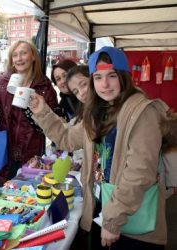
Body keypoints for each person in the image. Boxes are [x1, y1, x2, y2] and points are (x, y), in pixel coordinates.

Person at [30, 46, 167, 250]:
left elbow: (139, 173)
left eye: (111, 76)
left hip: (131, 220)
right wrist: (42, 112)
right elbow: (67, 138)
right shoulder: (97, 113)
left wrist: (113, 220)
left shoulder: (142, 112)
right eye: (98, 77)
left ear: (123, 76)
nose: (104, 84)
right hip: (102, 207)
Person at [0, 39, 58, 186]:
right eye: (15, 55)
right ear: (12, 60)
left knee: (28, 192)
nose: (19, 59)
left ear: (32, 56)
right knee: (5, 193)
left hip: (31, 151)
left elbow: (54, 122)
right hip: (5, 149)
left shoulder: (44, 86)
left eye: (23, 53)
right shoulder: (2, 81)